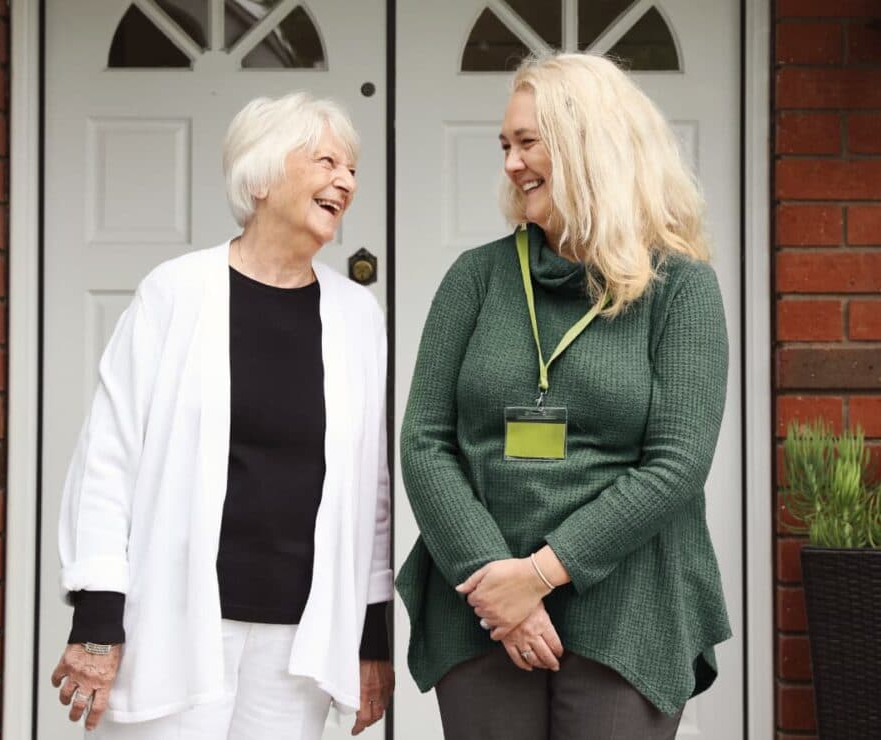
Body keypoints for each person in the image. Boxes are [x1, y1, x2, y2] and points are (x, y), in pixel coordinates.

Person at [397, 53, 731, 739]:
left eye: (527, 142)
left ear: (590, 146)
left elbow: (676, 464)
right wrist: (500, 583)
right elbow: (424, 440)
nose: (512, 164)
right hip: (480, 597)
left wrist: (542, 575)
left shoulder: (682, 288)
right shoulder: (477, 277)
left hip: (629, 602)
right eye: (506, 146)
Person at [52, 92, 394, 738]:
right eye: (326, 161)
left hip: (303, 640)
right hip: (178, 624)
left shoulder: (356, 316)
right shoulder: (174, 293)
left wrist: (370, 636)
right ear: (261, 176)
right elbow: (108, 458)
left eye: (351, 168)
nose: (346, 181)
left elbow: (370, 495)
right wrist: (98, 617)